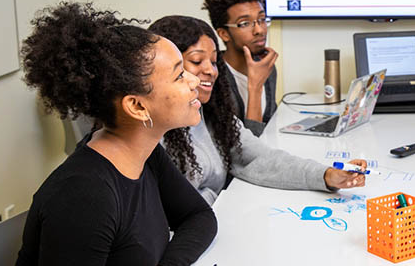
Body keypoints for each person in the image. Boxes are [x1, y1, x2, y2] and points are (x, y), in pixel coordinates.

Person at [0, 3, 227, 266]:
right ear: (137, 106)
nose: (195, 82)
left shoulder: (144, 152)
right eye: (179, 74)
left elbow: (198, 217)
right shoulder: (84, 195)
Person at [148, 16, 367, 204]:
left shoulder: (214, 114)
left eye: (214, 62)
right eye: (196, 61)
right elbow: (176, 210)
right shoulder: (155, 133)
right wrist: (227, 200)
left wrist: (326, 175)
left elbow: (261, 158)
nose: (210, 70)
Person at [202, 0, 279, 136]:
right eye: (245, 23)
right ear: (224, 34)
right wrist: (255, 86)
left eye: (262, 19)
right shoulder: (213, 78)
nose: (259, 30)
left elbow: (270, 128)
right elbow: (244, 151)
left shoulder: (266, 67)